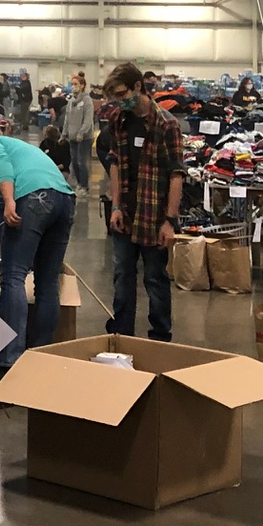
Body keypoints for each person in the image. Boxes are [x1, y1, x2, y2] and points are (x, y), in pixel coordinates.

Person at [0, 119, 76, 367]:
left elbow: (2, 164)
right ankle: (40, 354)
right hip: (65, 200)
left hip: (34, 198)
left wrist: (9, 201)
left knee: (13, 275)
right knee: (47, 280)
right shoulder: (22, 147)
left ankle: (11, 359)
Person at [105, 61, 184, 341]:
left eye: (122, 94)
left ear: (138, 86)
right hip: (126, 214)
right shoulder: (118, 120)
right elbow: (115, 162)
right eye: (115, 96)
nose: (119, 101)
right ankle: (122, 335)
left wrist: (169, 221)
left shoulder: (166, 124)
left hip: (154, 216)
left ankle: (160, 339)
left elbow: (176, 174)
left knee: (155, 278)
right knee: (122, 276)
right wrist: (115, 205)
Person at [61, 73, 94, 193]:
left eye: (75, 84)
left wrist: (81, 133)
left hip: (84, 138)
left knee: (82, 162)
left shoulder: (87, 100)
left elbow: (88, 120)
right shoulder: (71, 101)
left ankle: (85, 186)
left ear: (82, 85)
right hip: (72, 137)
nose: (73, 86)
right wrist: (64, 134)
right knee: (74, 162)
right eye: (72, 84)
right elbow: (67, 119)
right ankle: (79, 183)